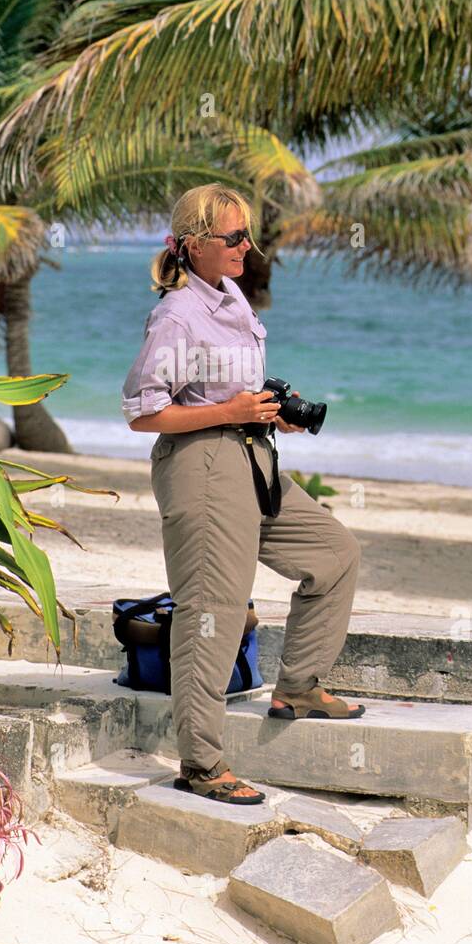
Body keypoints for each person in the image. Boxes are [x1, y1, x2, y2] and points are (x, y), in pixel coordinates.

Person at [121, 184, 364, 805]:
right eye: (233, 238)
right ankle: (201, 763)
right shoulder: (176, 314)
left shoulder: (230, 297)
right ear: (194, 243)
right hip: (201, 466)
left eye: (246, 235)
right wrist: (228, 411)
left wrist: (265, 413)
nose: (245, 247)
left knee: (334, 554)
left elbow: (227, 396)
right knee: (214, 609)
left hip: (252, 455)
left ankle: (298, 687)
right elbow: (144, 413)